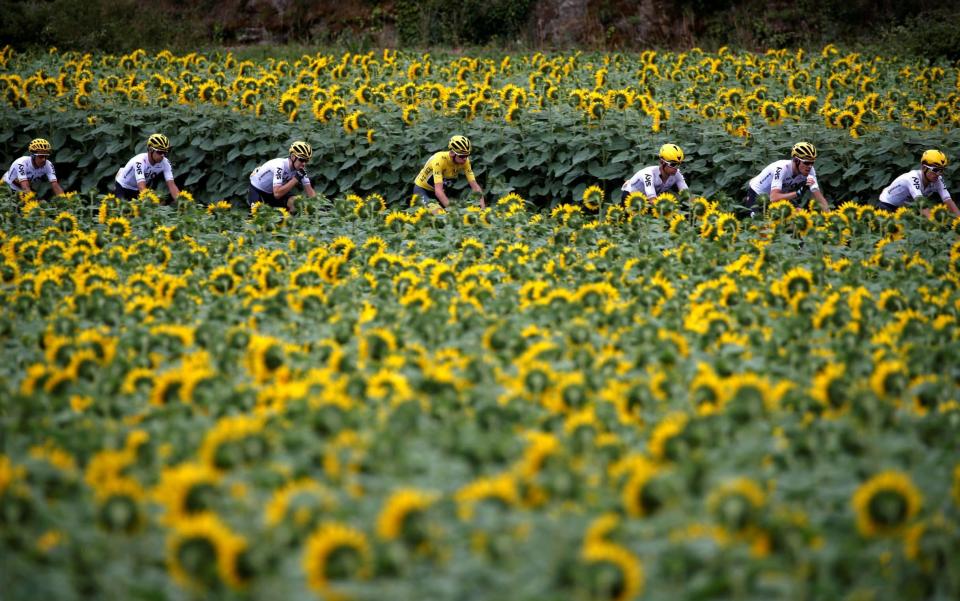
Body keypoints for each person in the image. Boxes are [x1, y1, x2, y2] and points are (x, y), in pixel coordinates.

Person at [744, 141, 829, 215]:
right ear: (796, 160)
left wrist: (829, 216)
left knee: (800, 215)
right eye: (807, 162)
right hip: (757, 194)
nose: (810, 166)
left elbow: (819, 197)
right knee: (760, 226)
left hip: (779, 195)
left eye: (812, 162)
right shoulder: (781, 168)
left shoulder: (810, 171)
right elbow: (773, 198)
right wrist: (798, 193)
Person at [412, 135, 486, 211]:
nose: (465, 159)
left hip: (437, 193)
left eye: (467, 155)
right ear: (452, 153)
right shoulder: (439, 160)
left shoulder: (465, 161)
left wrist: (483, 208)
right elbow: (438, 191)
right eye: (462, 155)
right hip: (422, 190)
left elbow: (475, 187)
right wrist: (453, 211)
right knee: (440, 214)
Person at [877, 149, 958, 217]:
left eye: (942, 170)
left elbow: (949, 201)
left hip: (903, 209)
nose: (939, 174)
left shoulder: (937, 179)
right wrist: (935, 225)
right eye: (935, 170)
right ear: (923, 168)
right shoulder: (912, 178)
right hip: (887, 205)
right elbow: (921, 205)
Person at [248, 141, 316, 213]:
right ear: (293, 156)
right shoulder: (280, 166)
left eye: (306, 160)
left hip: (272, 193)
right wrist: (295, 179)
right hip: (257, 190)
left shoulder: (300, 170)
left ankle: (291, 222)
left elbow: (310, 192)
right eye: (302, 160)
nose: (304, 164)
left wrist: (319, 206)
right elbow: (277, 194)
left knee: (297, 204)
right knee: (258, 219)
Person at [115, 133, 180, 201]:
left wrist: (181, 203)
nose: (163, 155)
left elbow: (172, 185)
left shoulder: (165, 162)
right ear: (150, 150)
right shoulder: (139, 161)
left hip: (136, 189)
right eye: (160, 152)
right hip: (123, 186)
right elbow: (141, 186)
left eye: (165, 152)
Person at [621, 143, 689, 202]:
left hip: (645, 199)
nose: (676, 168)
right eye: (673, 164)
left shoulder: (677, 174)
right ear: (662, 162)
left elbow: (686, 193)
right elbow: (652, 198)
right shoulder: (648, 174)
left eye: (679, 164)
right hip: (629, 196)